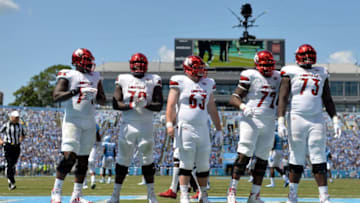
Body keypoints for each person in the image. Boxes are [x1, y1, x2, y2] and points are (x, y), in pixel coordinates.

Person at [277, 44, 341, 203]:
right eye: (304, 55)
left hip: (316, 118)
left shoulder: (322, 72)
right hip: (297, 117)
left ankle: (324, 196)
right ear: (298, 56)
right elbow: (283, 98)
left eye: (310, 55)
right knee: (296, 157)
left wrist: (335, 118)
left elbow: (327, 98)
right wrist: (280, 120)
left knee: (318, 156)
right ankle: (292, 195)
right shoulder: (289, 71)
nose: (307, 58)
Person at [51, 48, 106, 203]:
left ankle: (76, 196)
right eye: (86, 61)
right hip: (72, 120)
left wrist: (95, 94)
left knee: (83, 160)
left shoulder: (95, 76)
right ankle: (56, 190)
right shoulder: (68, 74)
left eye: (90, 61)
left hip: (89, 121)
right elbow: (56, 96)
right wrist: (77, 91)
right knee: (69, 157)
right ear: (77, 62)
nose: (89, 64)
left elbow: (103, 99)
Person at [166, 55, 222, 203]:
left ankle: (203, 196)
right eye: (196, 68)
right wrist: (169, 124)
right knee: (186, 162)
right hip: (185, 127)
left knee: (203, 164)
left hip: (203, 128)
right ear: (188, 69)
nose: (200, 71)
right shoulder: (180, 81)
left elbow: (211, 107)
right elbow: (171, 104)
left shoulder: (208, 83)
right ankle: (184, 195)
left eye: (200, 68)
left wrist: (219, 129)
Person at [108, 53, 163, 203]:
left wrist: (146, 104)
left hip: (146, 124)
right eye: (136, 64)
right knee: (122, 160)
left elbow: (159, 105)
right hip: (128, 124)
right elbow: (115, 103)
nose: (138, 67)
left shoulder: (154, 79)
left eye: (141, 65)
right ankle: (115, 195)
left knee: (148, 160)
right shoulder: (123, 79)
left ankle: (151, 195)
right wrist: (131, 105)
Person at [226, 50, 280, 203]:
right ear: (257, 64)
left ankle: (254, 195)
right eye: (264, 64)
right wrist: (243, 107)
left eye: (270, 64)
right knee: (244, 154)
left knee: (263, 159)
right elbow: (234, 97)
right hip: (251, 119)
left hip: (269, 121)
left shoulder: (278, 77)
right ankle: (232, 191)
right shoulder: (251, 75)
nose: (267, 68)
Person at [0, 110, 26, 190]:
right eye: (16, 117)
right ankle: (11, 182)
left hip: (16, 146)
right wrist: (1, 141)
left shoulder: (20, 126)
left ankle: (2, 169)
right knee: (10, 163)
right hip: (8, 146)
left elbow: (23, 134)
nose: (17, 119)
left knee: (13, 164)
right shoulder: (6, 125)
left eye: (18, 117)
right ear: (11, 117)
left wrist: (20, 140)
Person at [83, 124, 102, 190]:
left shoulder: (93, 128)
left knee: (90, 163)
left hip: (90, 148)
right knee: (87, 166)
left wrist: (100, 151)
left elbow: (99, 142)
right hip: (87, 148)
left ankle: (90, 183)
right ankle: (88, 183)